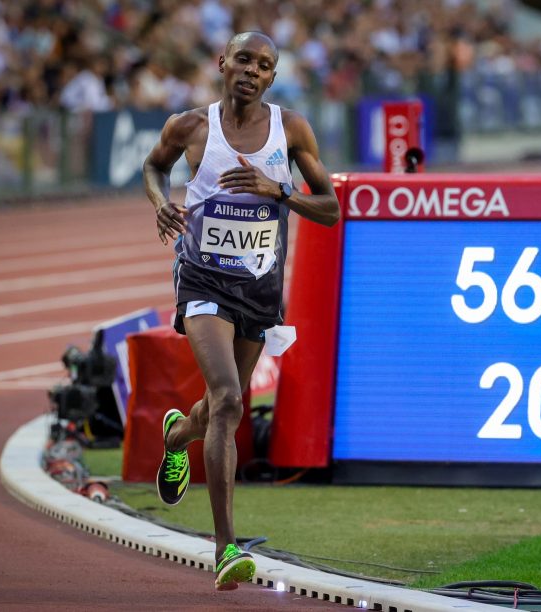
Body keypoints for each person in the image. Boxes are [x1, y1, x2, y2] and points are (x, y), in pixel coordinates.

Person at [142, 31, 339, 591]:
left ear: (273, 78)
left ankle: (177, 435)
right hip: (202, 277)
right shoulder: (190, 126)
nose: (252, 70)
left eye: (265, 65)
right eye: (244, 59)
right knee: (228, 399)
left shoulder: (291, 130)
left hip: (259, 286)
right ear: (222, 63)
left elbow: (330, 209)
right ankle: (226, 546)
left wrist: (279, 191)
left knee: (218, 408)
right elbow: (154, 167)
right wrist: (162, 204)